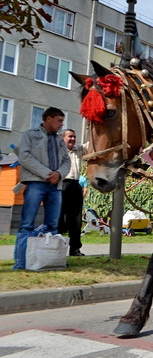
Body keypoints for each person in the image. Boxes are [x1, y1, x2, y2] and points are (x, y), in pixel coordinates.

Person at [13, 107, 70, 270]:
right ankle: (21, 262)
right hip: (36, 183)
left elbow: (67, 161)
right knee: (27, 224)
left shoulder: (60, 140)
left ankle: (48, 261)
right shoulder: (30, 135)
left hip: (55, 186)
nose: (61, 124)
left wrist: (58, 174)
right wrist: (47, 174)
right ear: (49, 118)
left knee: (52, 224)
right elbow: (24, 157)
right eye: (59, 120)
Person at [58, 129, 86, 256]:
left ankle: (75, 249)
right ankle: (56, 247)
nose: (73, 139)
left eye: (74, 137)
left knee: (76, 219)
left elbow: (91, 145)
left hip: (75, 185)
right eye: (70, 136)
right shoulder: (57, 151)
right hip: (61, 184)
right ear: (63, 138)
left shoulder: (78, 150)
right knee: (58, 217)